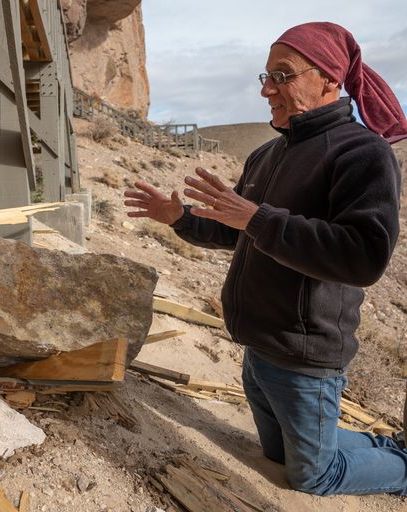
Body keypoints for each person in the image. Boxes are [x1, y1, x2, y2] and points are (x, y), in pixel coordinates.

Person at [124, 22, 407, 496]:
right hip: (257, 348)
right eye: (265, 75)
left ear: (329, 81)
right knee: (279, 453)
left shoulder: (363, 152)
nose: (265, 89)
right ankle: (386, 446)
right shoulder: (266, 153)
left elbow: (364, 257)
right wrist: (180, 216)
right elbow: (238, 230)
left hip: (304, 355)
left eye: (283, 75)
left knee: (314, 475)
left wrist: (257, 218)